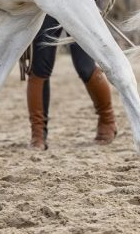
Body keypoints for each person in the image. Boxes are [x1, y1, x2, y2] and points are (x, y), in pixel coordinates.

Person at [24, 15, 117, 149]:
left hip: (78, 1)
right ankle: (37, 133)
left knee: (85, 67)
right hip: (45, 3)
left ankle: (107, 120)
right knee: (39, 68)